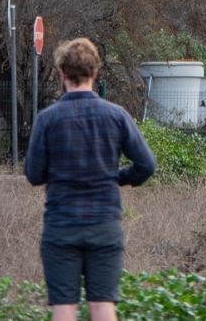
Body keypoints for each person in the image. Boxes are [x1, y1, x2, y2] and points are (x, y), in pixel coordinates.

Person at [24, 37, 156, 321]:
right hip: (104, 224)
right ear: (95, 73)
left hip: (61, 226)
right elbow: (146, 165)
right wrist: (117, 177)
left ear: (62, 74)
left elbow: (33, 174)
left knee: (64, 309)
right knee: (102, 306)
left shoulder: (48, 119)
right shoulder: (116, 116)